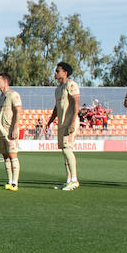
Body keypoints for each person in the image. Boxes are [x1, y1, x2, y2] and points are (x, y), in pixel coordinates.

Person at [45, 61, 81, 191]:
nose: (55, 73)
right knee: (64, 151)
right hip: (61, 123)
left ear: (65, 73)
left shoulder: (71, 85)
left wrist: (72, 122)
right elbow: (56, 107)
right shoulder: (58, 89)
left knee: (67, 148)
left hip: (69, 121)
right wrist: (50, 121)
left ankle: (74, 180)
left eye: (57, 70)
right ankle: (68, 180)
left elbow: (76, 103)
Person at [0, 72, 23, 191]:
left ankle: (15, 182)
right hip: (1, 131)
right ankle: (9, 181)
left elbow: (17, 111)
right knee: (5, 156)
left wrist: (15, 128)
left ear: (5, 82)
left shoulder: (13, 95)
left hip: (10, 130)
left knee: (13, 155)